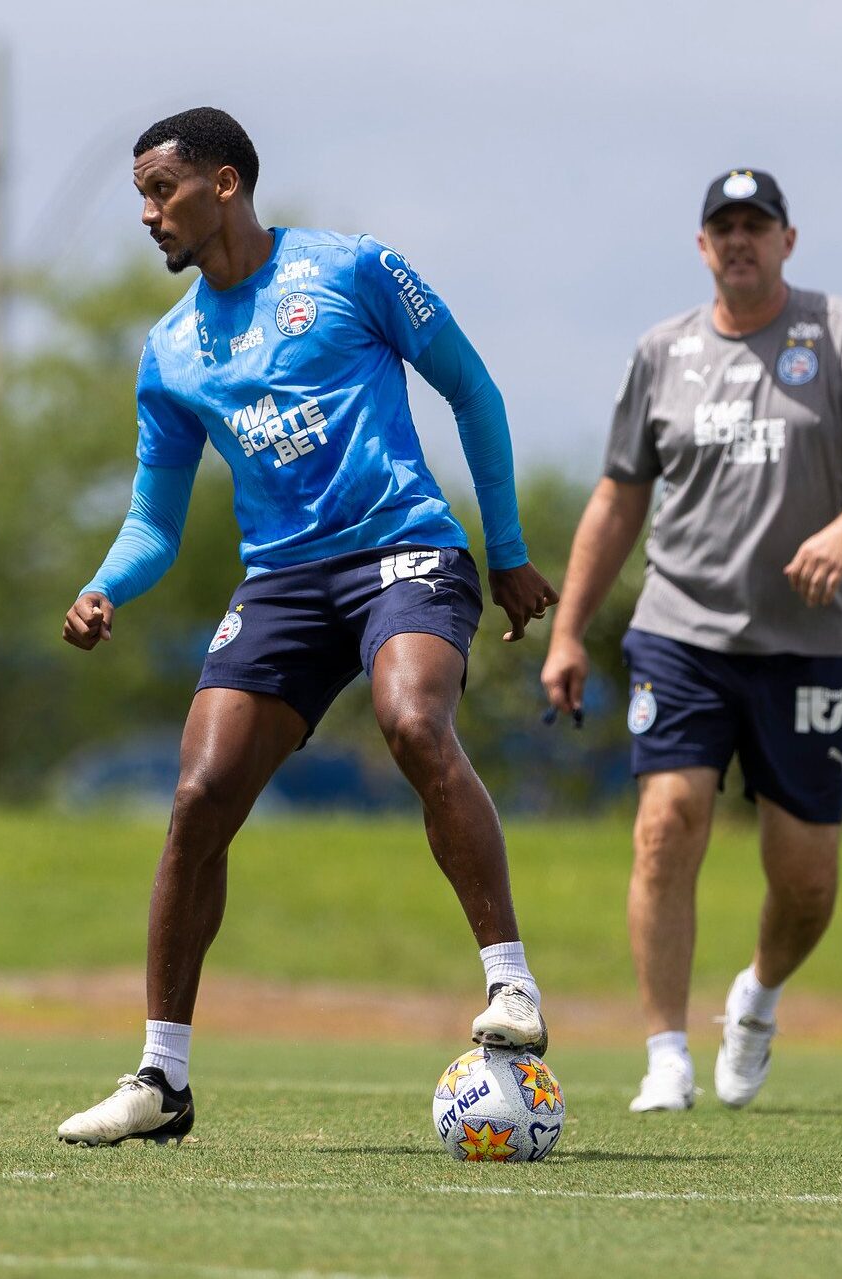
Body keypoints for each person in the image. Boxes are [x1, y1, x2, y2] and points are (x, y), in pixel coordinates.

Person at [56, 108, 559, 1145]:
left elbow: (473, 391)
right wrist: (108, 584)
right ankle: (161, 1078)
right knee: (198, 794)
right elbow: (154, 518)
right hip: (282, 583)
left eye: (162, 192)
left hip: (401, 551)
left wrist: (504, 548)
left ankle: (511, 985)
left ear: (225, 184)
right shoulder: (171, 351)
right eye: (142, 198)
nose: (148, 216)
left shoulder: (353, 269)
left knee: (413, 721)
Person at [539, 169, 842, 1112]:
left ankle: (756, 995)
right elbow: (616, 496)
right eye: (722, 227)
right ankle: (664, 1057)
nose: (739, 241)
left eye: (755, 226)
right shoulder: (662, 352)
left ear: (786, 240)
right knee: (664, 825)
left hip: (808, 645)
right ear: (700, 247)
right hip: (680, 631)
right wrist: (568, 631)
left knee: (804, 882)